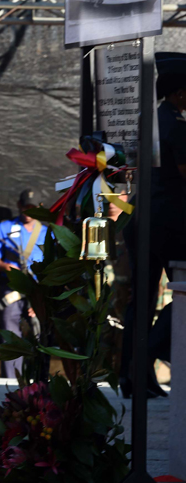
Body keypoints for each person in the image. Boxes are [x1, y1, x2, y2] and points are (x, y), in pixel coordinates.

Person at [120, 52, 186, 398]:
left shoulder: (150, 120)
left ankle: (134, 376)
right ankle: (154, 350)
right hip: (170, 223)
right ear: (178, 93)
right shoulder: (177, 126)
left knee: (141, 302)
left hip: (143, 220)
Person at [0, 189, 47, 378]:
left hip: (38, 292)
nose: (28, 212)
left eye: (32, 208)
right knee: (10, 338)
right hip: (12, 290)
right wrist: (6, 267)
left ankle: (40, 378)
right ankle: (13, 380)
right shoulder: (5, 227)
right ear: (19, 206)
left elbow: (53, 268)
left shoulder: (47, 233)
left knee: (40, 336)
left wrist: (41, 299)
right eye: (25, 207)